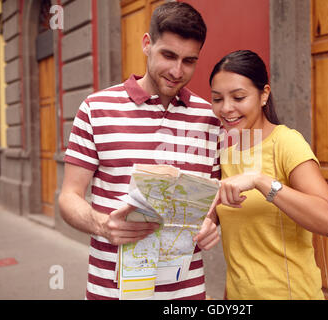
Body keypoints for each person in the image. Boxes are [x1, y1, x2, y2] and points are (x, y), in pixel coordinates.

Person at [58, 2, 221, 300]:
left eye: (189, 61)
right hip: (111, 290)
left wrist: (213, 222)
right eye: (168, 55)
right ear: (147, 44)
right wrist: (103, 225)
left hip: (187, 293)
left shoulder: (210, 118)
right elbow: (68, 197)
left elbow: (215, 198)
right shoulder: (95, 109)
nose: (176, 70)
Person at [208, 50, 328, 299]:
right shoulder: (228, 156)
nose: (226, 108)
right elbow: (240, 249)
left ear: (264, 95)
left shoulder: (286, 142)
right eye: (217, 99)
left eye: (238, 97)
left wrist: (261, 181)